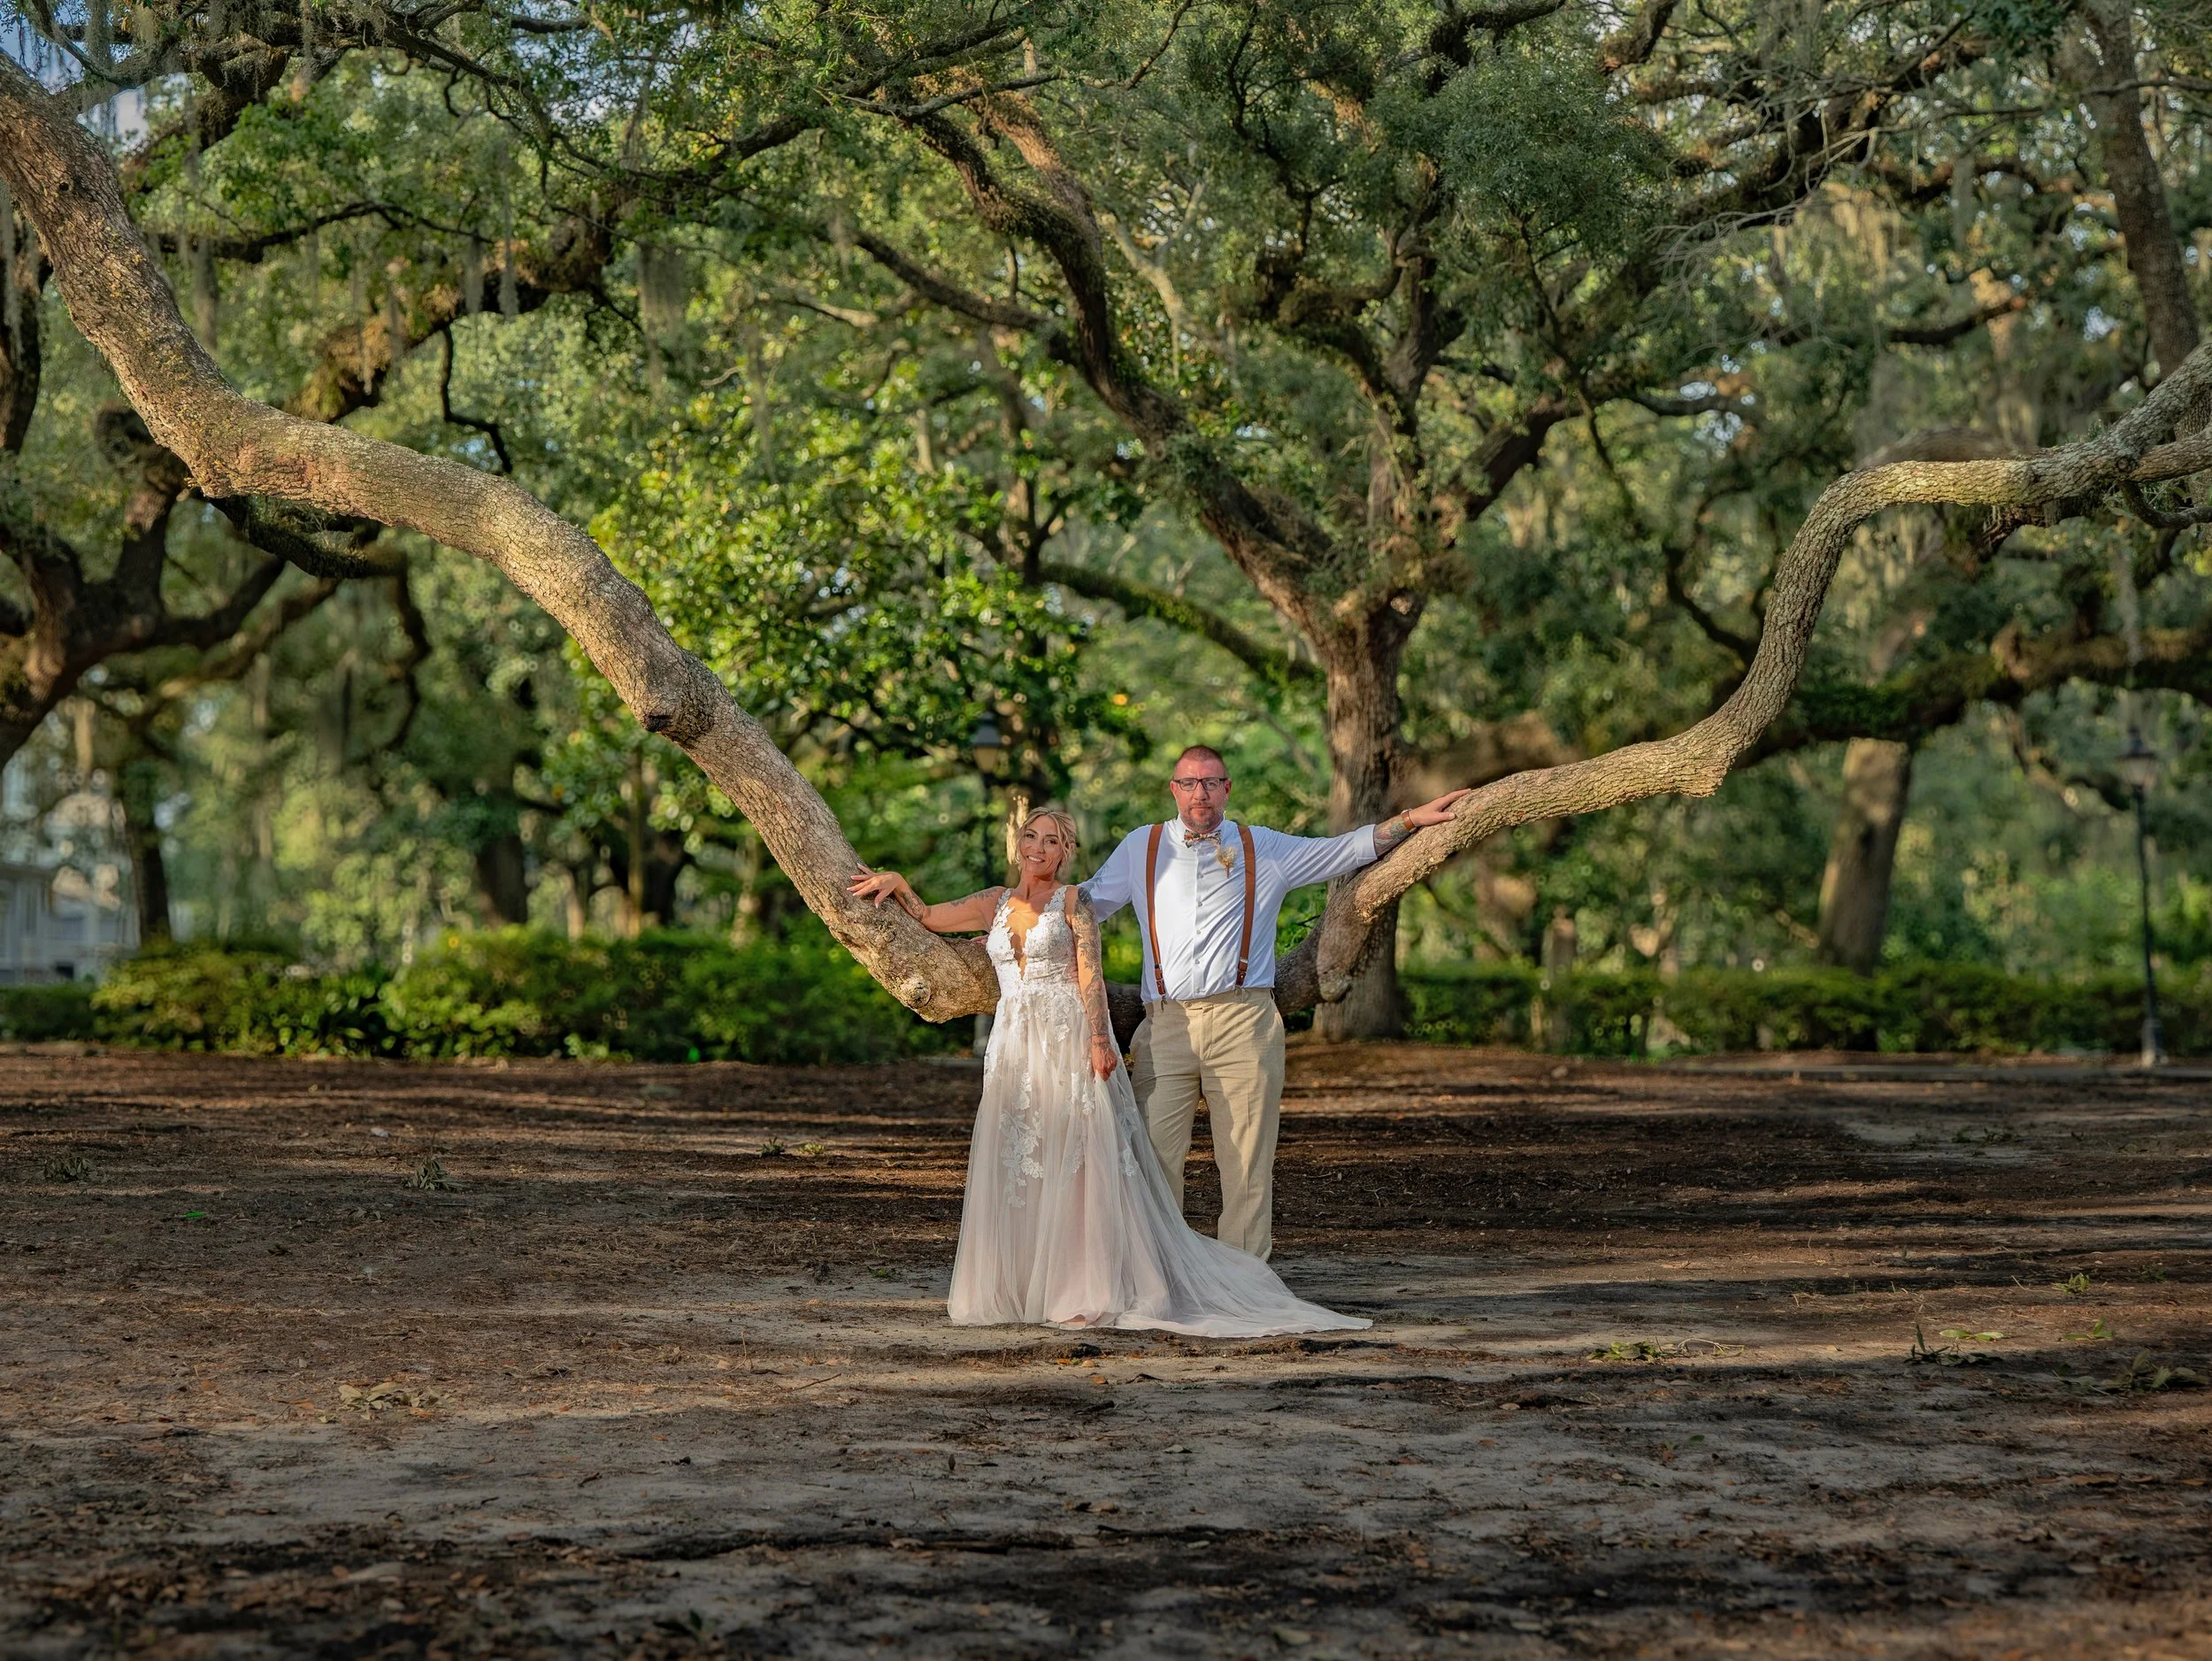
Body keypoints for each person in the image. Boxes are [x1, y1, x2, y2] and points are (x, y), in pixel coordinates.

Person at [849, 808, 1367, 1335]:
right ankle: (1023, 1285)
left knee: (1079, 1161)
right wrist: (897, 883)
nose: (1039, 848)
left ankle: (1084, 1287)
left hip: (1067, 1038)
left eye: (1052, 841)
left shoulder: (1075, 904)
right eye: (1030, 837)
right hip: (1013, 1046)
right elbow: (930, 918)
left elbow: (1090, 980)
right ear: (1017, 844)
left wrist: (1101, 1039)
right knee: (1020, 1160)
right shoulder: (992, 903)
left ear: (1065, 852)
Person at [1082, 747, 1470, 1261]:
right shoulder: (1142, 846)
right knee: (1151, 1161)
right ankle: (1158, 1276)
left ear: (1227, 788)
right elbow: (1085, 905)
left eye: (1212, 783)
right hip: (1165, 1025)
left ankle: (1244, 1282)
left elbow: (1344, 849)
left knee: (1246, 1165)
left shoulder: (1261, 847)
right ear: (1173, 789)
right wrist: (1011, 923)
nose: (1201, 793)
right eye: (1190, 783)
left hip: (1244, 1021)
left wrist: (1408, 820)